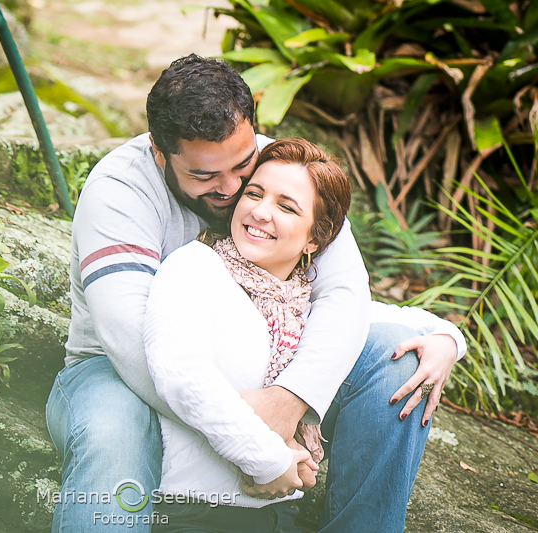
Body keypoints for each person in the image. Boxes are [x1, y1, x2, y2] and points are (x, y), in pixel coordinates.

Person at [45, 54, 460, 532]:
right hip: (120, 371)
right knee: (111, 432)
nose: (233, 189)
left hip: (268, 357)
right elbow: (134, 344)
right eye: (204, 176)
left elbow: (342, 297)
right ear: (161, 154)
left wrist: (289, 400)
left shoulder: (282, 172)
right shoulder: (119, 191)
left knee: (396, 363)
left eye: (243, 165)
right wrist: (256, 441)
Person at [144, 138, 466, 532]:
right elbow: (180, 374)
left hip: (278, 515)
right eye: (254, 194)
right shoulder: (194, 268)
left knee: (400, 356)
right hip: (197, 511)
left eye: (286, 206)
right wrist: (269, 460)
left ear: (315, 238)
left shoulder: (303, 306)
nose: (260, 212)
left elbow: (398, 321)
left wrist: (447, 342)